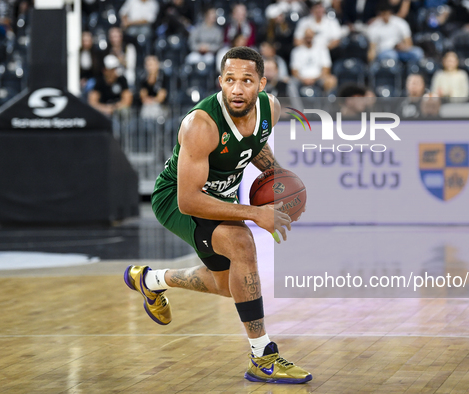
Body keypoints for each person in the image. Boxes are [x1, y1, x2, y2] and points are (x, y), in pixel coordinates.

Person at [123, 46, 312, 384]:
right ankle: (262, 356)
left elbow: (253, 146)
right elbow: (188, 200)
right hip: (178, 199)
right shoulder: (202, 124)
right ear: (220, 81)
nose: (237, 89)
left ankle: (150, 280)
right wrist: (256, 213)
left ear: (262, 84)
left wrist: (281, 181)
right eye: (230, 80)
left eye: (246, 80)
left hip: (221, 196)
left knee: (229, 286)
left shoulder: (271, 110)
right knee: (242, 245)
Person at [290, 28, 338, 94]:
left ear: (313, 36)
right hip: (301, 79)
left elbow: (326, 69)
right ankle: (297, 104)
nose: (308, 38)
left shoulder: (322, 49)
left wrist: (314, 79)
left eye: (310, 35)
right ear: (303, 37)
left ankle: (326, 104)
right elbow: (294, 71)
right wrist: (304, 79)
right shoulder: (296, 51)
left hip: (318, 78)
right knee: (291, 84)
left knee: (331, 80)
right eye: (307, 36)